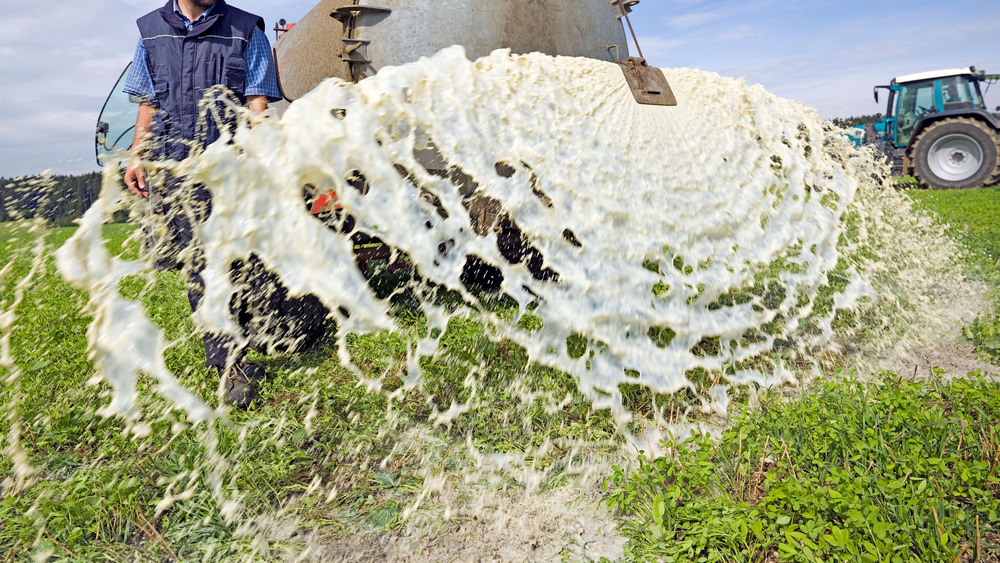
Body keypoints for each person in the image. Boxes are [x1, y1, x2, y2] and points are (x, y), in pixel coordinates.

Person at [122, 0, 283, 409]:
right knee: (199, 265)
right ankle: (230, 365)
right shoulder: (150, 31)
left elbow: (257, 102)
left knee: (240, 259)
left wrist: (262, 155)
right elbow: (149, 101)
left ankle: (246, 341)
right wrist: (138, 153)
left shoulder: (248, 29)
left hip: (229, 167)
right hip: (174, 168)